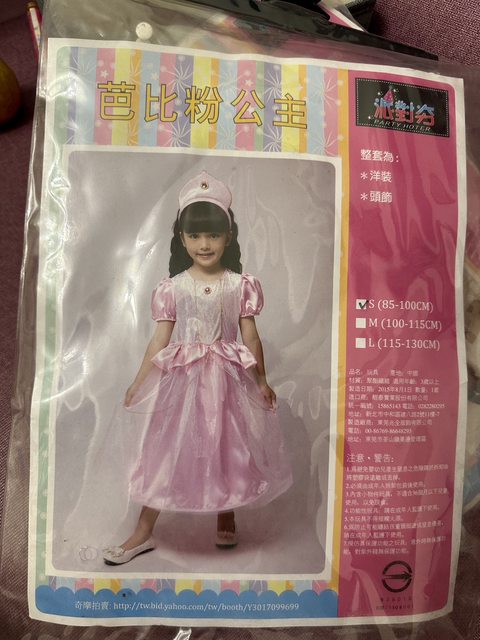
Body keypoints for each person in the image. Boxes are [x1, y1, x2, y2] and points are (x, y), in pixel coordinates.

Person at [103, 171, 292, 565]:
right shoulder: (173, 287)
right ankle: (143, 531)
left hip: (227, 382)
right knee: (168, 449)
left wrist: (262, 380)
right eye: (195, 235)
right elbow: (159, 341)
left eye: (213, 235)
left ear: (228, 237)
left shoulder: (240, 285)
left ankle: (226, 513)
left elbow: (250, 336)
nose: (204, 244)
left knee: (230, 445)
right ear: (182, 238)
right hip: (185, 384)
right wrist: (139, 382)